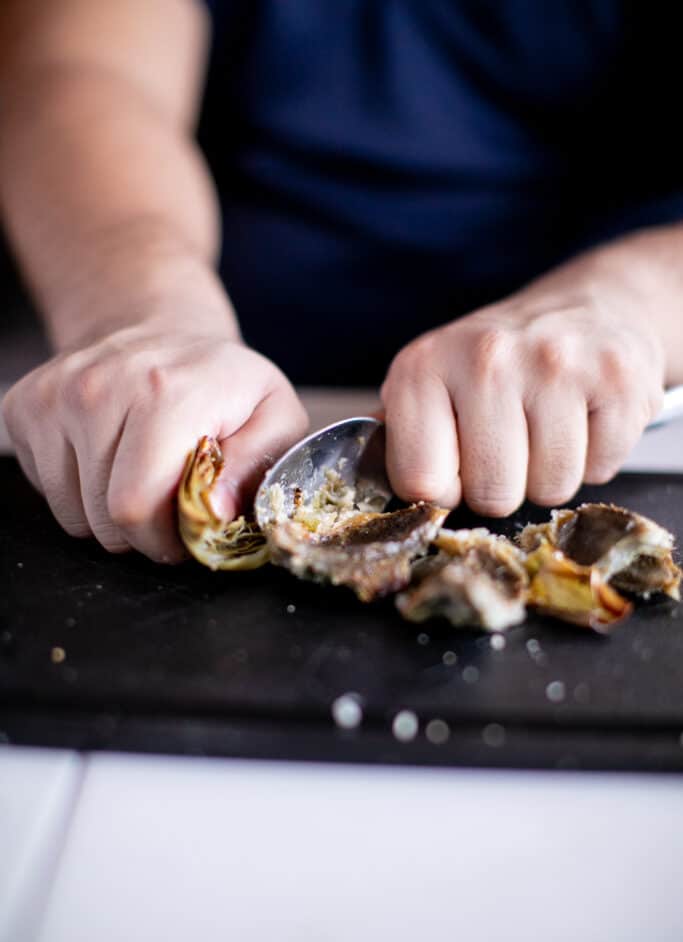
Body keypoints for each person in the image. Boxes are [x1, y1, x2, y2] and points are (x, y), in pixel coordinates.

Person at [1, 0, 682, 564]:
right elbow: (81, 68)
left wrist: (619, 305)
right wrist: (143, 312)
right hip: (203, 407)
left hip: (618, 425)